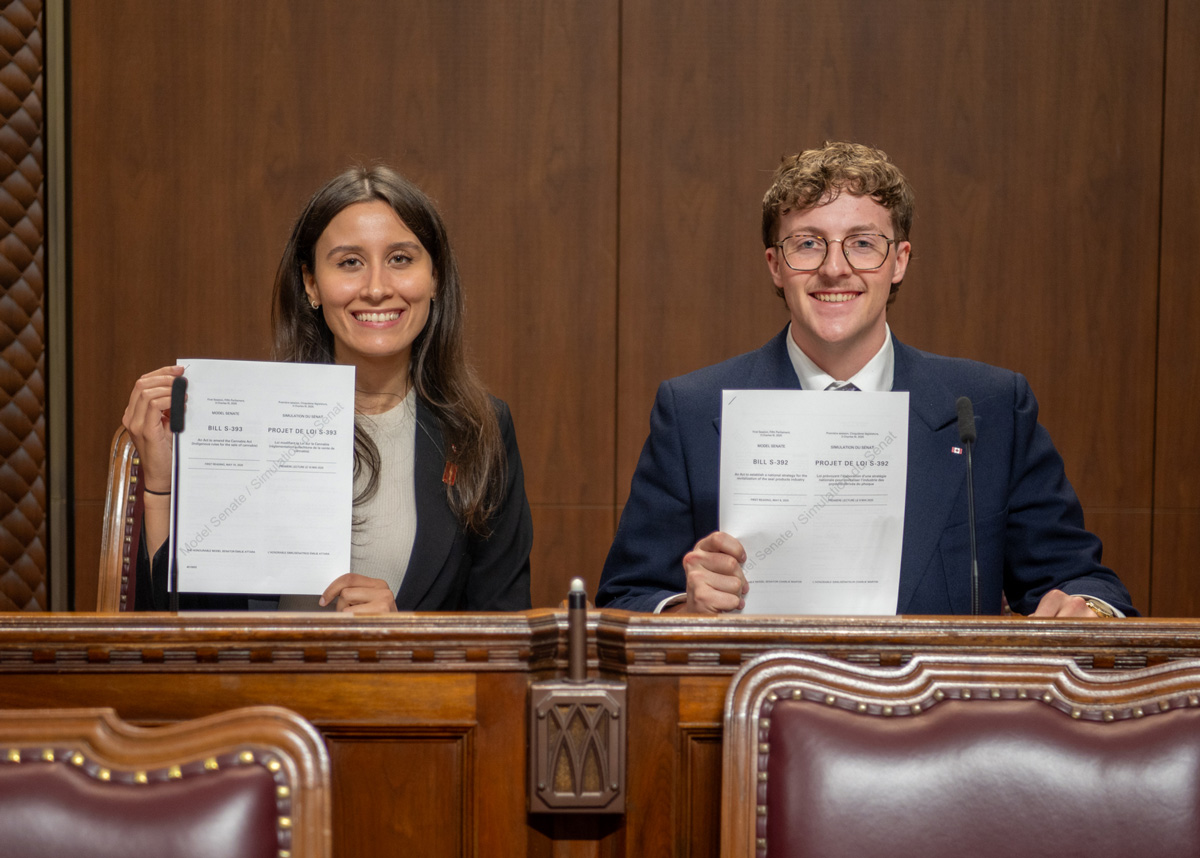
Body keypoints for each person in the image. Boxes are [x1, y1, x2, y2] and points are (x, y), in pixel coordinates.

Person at [597, 141, 1136, 618]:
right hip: (752, 718)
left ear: (898, 261)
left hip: (939, 722)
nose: (835, 268)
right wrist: (686, 610)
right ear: (774, 265)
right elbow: (626, 597)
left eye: (862, 243)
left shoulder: (989, 408)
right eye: (807, 244)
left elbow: (1085, 583)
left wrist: (1085, 611)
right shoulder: (692, 410)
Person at [124, 165, 533, 612]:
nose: (377, 288)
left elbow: (504, 632)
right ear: (311, 283)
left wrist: (406, 636)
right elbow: (179, 633)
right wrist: (162, 484)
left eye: (401, 259)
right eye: (349, 263)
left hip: (411, 685)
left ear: (434, 277)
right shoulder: (245, 424)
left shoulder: (481, 430)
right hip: (265, 682)